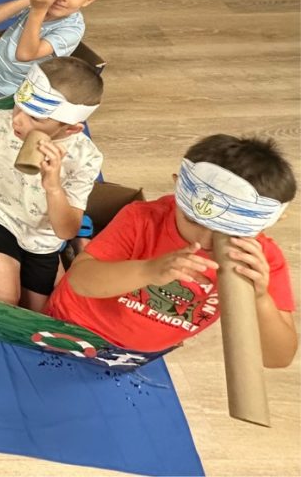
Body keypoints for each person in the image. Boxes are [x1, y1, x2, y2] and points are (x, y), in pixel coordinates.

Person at [47, 134, 297, 367]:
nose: (205, 242)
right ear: (177, 188)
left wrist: (260, 299)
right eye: (193, 220)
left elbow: (277, 358)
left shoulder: (260, 261)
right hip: (69, 323)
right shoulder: (143, 219)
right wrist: (149, 270)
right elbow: (80, 280)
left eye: (231, 232)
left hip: (135, 355)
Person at [0, 58, 104, 313]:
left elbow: (65, 230)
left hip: (44, 240)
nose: (17, 120)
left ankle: (67, 253)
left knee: (42, 311)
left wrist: (53, 186)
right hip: (0, 217)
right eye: (17, 105)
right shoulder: (1, 122)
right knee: (4, 299)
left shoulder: (84, 158)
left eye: (34, 117)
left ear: (70, 129)